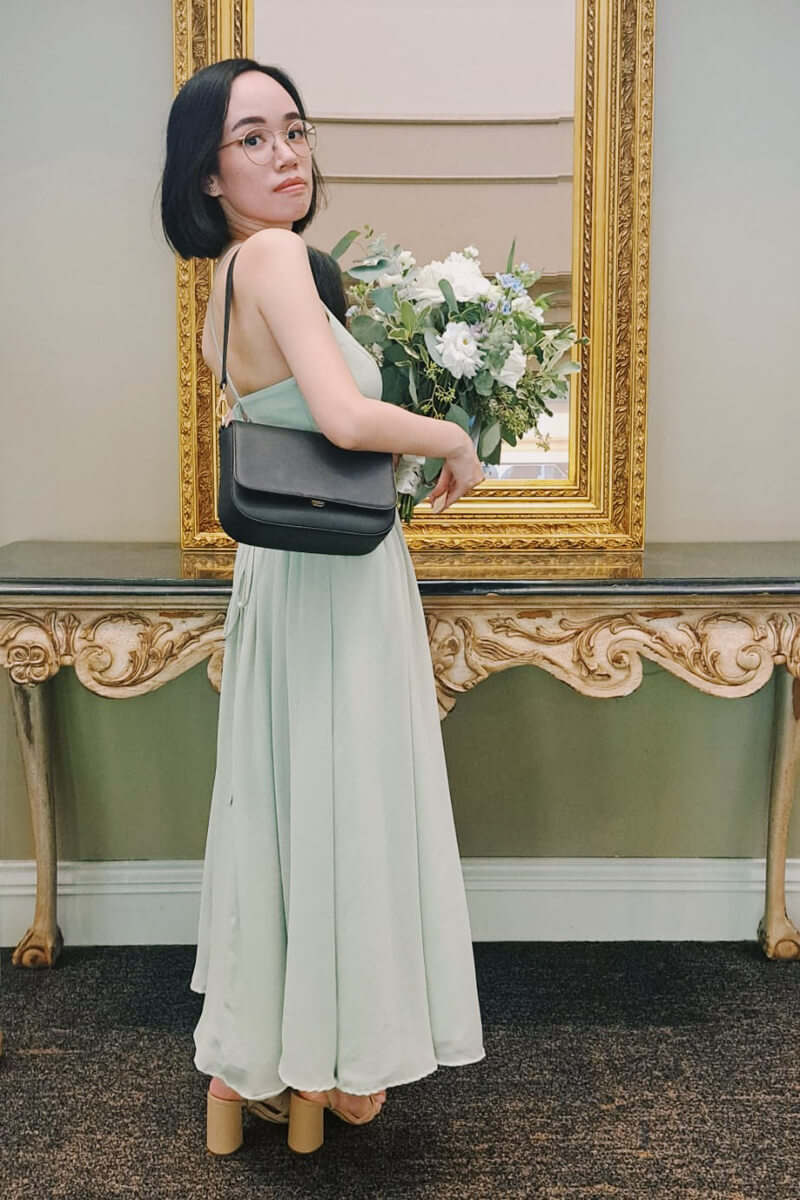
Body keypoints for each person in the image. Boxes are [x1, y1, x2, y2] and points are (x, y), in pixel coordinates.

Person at [161, 57, 486, 1157]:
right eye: (250, 138)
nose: (283, 152)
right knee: (343, 797)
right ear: (207, 174)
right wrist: (451, 437)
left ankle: (263, 1066)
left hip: (284, 571)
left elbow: (298, 415)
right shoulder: (274, 257)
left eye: (292, 129)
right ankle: (329, 1068)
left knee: (287, 801)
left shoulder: (227, 277)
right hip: (335, 574)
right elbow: (344, 420)